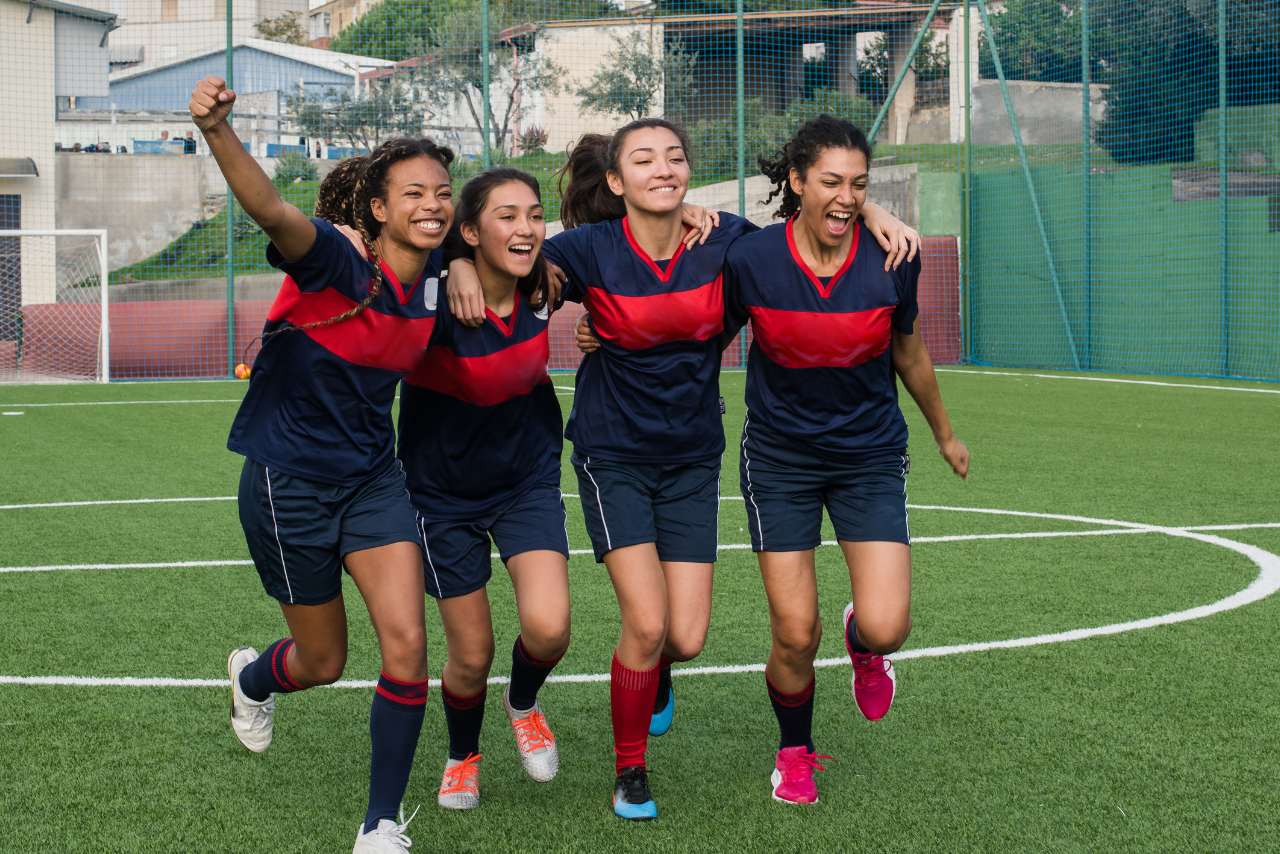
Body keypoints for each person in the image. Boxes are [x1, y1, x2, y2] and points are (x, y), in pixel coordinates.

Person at [451, 118, 919, 821]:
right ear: (616, 181)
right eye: (643, 159)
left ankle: (657, 674)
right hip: (613, 457)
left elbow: (814, 216)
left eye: (675, 156)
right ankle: (630, 774)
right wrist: (458, 264)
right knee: (646, 625)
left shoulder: (723, 237)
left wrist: (873, 206)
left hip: (694, 456)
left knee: (685, 637)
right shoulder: (586, 249)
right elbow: (506, 253)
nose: (663, 168)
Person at [190, 74, 450, 854]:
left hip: (374, 478)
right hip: (289, 482)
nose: (434, 204)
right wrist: (217, 132)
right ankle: (250, 676)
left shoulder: (443, 271)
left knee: (408, 647)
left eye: (443, 191)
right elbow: (270, 208)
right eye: (414, 193)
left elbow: (529, 242)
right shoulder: (336, 259)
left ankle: (378, 825)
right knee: (325, 660)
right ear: (377, 207)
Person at [721, 114, 968, 805]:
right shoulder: (753, 261)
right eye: (830, 181)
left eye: (860, 184)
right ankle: (793, 751)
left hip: (868, 456)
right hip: (780, 461)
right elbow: (700, 335)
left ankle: (865, 647)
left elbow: (910, 352)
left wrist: (945, 433)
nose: (846, 196)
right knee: (796, 632)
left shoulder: (894, 257)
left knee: (889, 625)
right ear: (796, 182)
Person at [396, 167, 569, 811]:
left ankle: (522, 702)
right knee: (471, 656)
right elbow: (385, 243)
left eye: (533, 214)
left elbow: (618, 230)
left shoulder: (544, 282)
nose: (524, 227)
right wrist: (452, 264)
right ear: (471, 230)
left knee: (550, 631)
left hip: (524, 483)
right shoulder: (431, 301)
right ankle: (462, 755)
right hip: (440, 499)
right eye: (505, 215)